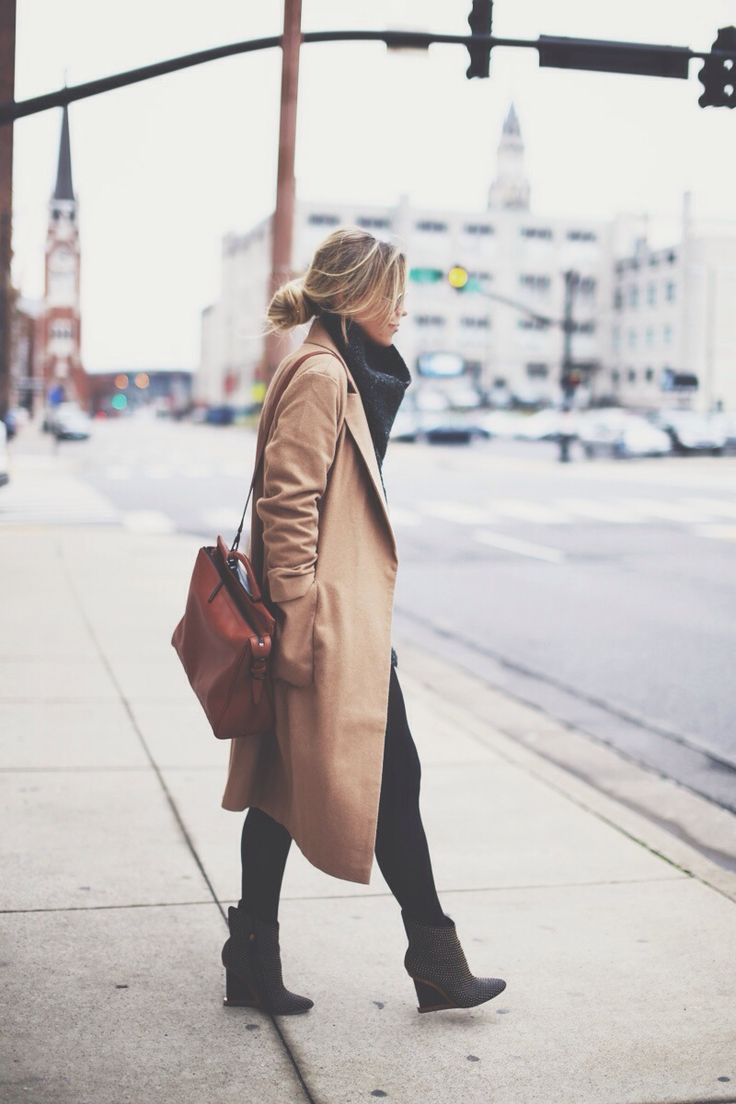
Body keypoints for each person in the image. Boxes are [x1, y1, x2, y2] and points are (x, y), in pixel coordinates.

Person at [220, 226, 506, 1015]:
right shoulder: (322, 373)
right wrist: (307, 625)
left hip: (331, 621)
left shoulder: (338, 366)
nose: (404, 310)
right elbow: (288, 503)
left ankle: (258, 955)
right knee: (391, 775)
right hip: (325, 627)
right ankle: (434, 957)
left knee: (285, 785)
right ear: (356, 298)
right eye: (394, 294)